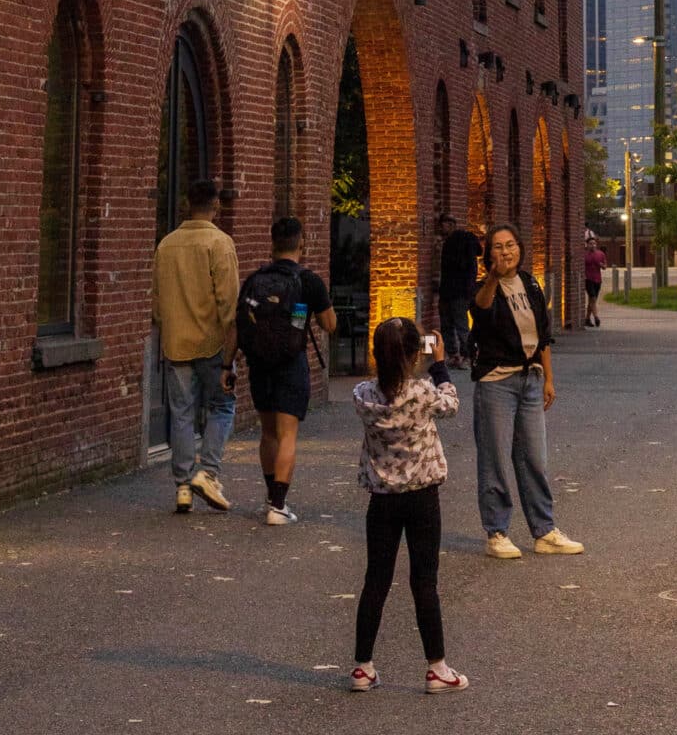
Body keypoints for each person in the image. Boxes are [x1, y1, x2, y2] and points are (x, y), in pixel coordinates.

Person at [350, 315, 468, 694]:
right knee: (424, 582)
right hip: (421, 496)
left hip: (381, 500)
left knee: (376, 580)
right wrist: (439, 364)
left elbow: (381, 387)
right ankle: (437, 668)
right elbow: (451, 403)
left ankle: (363, 666)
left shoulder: (363, 396)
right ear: (415, 353)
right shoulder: (422, 392)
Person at [470, 221, 584, 558]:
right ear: (488, 254)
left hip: (530, 378)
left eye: (510, 245)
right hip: (496, 382)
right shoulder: (483, 286)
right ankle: (497, 532)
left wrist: (548, 378)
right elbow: (482, 308)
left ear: (520, 248)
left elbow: (543, 334)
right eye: (498, 247)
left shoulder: (531, 284)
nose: (505, 251)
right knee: (495, 459)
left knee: (534, 457)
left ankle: (544, 530)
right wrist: (493, 276)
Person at [236, 213, 337, 522]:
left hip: (259, 363)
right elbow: (330, 325)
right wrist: (303, 314)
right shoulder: (309, 281)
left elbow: (237, 325)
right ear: (301, 244)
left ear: (272, 244)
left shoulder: (255, 280)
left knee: (268, 433)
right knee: (288, 434)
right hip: (291, 364)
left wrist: (228, 365)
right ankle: (278, 506)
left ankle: (271, 496)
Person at [152, 175, 240, 512]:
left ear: (187, 204)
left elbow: (157, 301)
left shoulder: (166, 245)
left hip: (176, 342)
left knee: (182, 414)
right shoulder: (220, 244)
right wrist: (231, 351)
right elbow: (228, 303)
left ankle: (183, 486)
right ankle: (209, 472)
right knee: (222, 407)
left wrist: (169, 327)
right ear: (216, 205)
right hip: (212, 343)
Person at [437, 213, 483, 367]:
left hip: (454, 290)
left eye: (442, 225)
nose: (440, 229)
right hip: (459, 290)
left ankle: (462, 355)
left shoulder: (455, 242)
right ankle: (463, 355)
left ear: (450, 224)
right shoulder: (466, 241)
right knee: (455, 324)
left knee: (455, 324)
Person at [582, 231, 607, 327]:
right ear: (587, 245)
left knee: (593, 300)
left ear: (596, 245)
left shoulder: (600, 254)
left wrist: (601, 265)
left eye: (594, 244)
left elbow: (605, 266)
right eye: (590, 244)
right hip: (588, 279)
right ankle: (596, 317)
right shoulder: (584, 255)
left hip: (598, 280)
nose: (592, 245)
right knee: (592, 298)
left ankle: (587, 319)